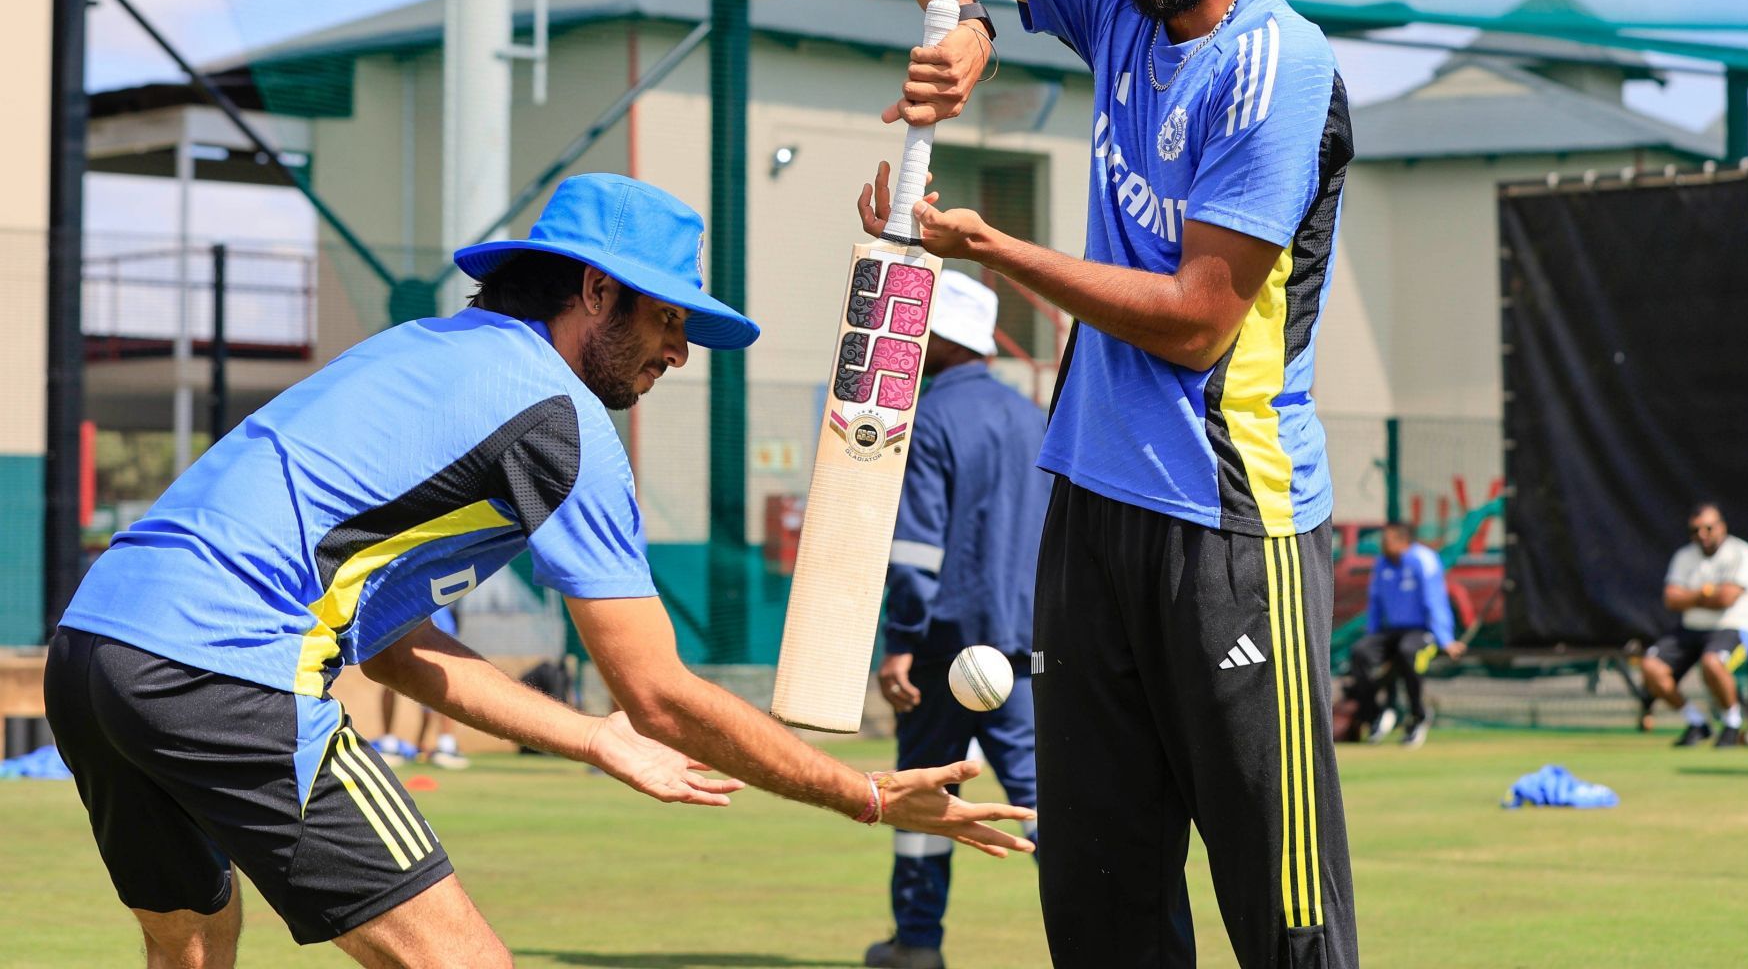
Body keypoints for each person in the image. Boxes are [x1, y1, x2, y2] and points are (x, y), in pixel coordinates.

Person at [45, 174, 1034, 968]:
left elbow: (391, 650)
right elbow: (662, 693)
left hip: (94, 650)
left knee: (188, 948)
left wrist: (593, 738)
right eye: (669, 320)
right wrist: (862, 793)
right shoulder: (557, 419)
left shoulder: (423, 350)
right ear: (595, 290)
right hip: (229, 669)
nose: (679, 352)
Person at [868, 0, 1358, 968]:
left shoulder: (1276, 67)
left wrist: (990, 246)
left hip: (1235, 533)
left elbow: (1197, 319)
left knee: (1288, 924)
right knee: (1099, 916)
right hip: (1088, 509)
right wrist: (960, 21)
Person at [864, 271, 1049, 969]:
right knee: (1043, 802)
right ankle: (1094, 941)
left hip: (945, 647)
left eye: (920, 330)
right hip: (1025, 648)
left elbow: (916, 549)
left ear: (941, 337)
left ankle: (916, 944)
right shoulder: (1035, 417)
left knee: (921, 791)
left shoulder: (932, 417)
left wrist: (899, 645)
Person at [1639, 502, 1748, 748]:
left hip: (1735, 627)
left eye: (1708, 528)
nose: (1702, 535)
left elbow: (1727, 598)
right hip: (1691, 630)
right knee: (1650, 667)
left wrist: (1692, 596)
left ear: (1721, 527)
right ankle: (1697, 722)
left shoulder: (1741, 553)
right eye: (1695, 530)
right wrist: (1707, 594)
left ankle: (1732, 723)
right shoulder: (1684, 556)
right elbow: (1671, 599)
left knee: (1712, 662)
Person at [1345, 524, 1464, 749]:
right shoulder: (1381, 563)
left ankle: (1418, 717)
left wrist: (1445, 639)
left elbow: (1435, 601)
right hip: (1391, 632)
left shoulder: (1424, 560)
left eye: (1388, 540)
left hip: (1421, 631)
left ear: (1403, 541)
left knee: (1408, 652)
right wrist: (1373, 636)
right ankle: (1378, 713)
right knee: (1360, 652)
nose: (1383, 544)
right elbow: (1376, 603)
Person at [372, 607, 469, 770]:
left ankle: (445, 744)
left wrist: (421, 741)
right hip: (403, 607)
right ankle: (389, 743)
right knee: (390, 674)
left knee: (445, 676)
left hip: (428, 607)